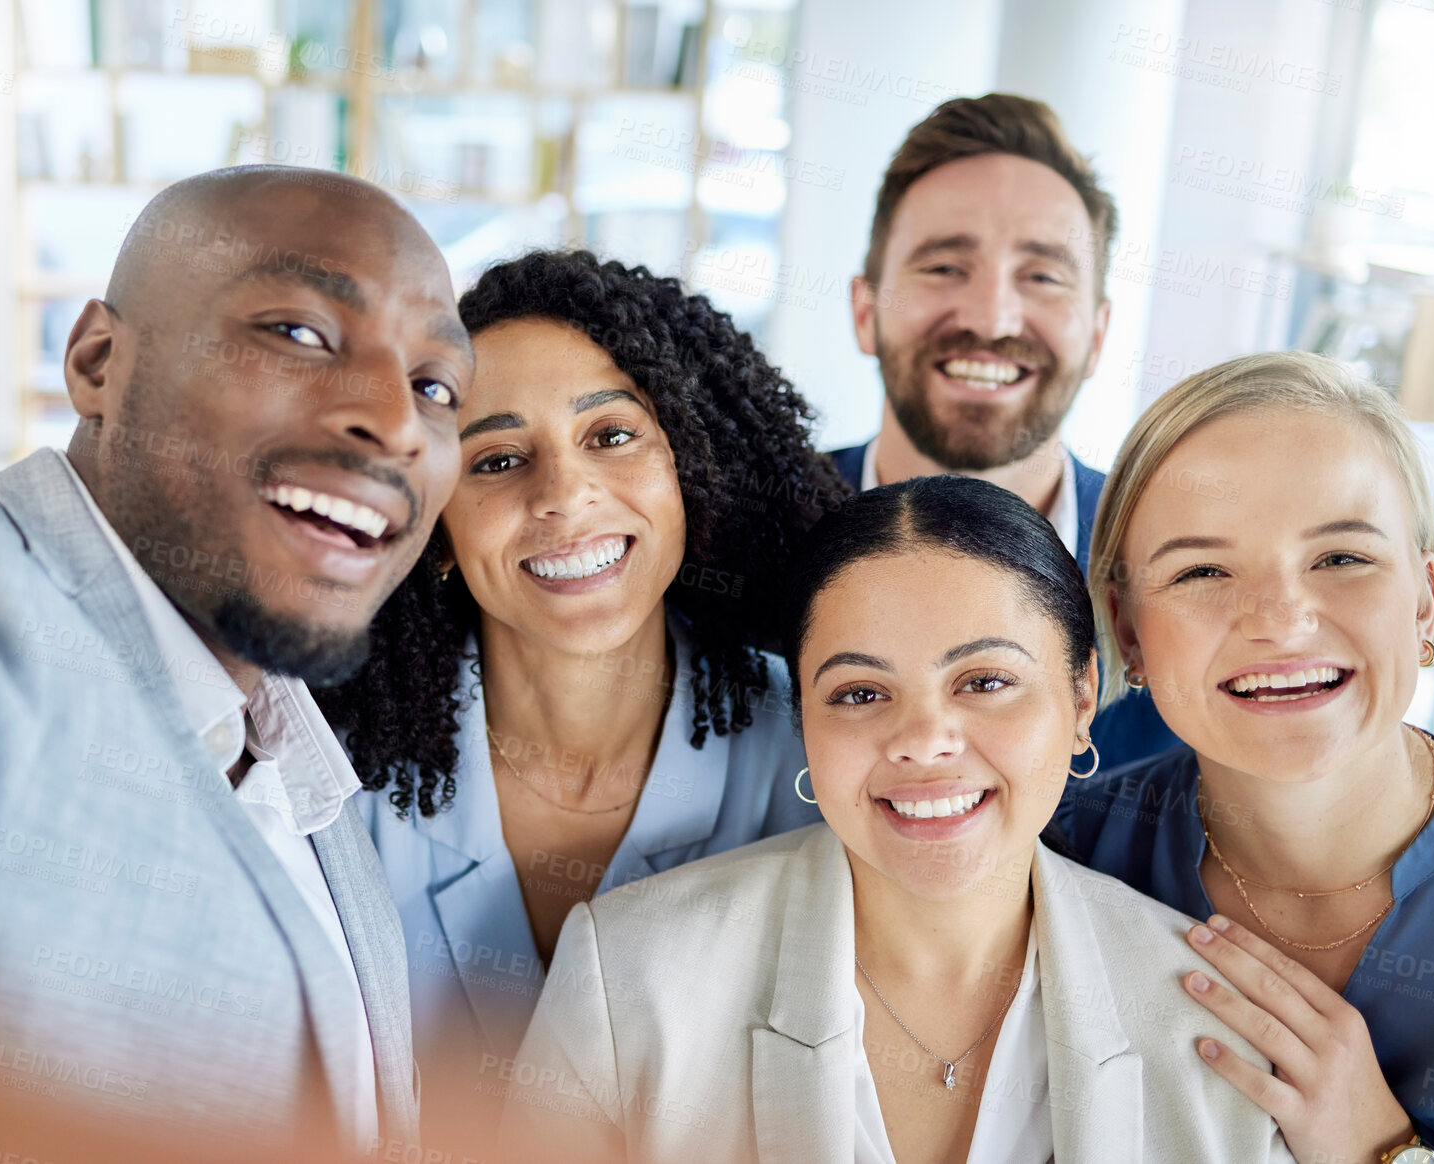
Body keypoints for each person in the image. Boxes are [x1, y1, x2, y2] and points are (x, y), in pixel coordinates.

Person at [0, 166, 475, 1156]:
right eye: (298, 334)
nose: (391, 419)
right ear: (97, 361)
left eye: (435, 387)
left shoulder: (312, 780)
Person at [498, 475, 1293, 1164]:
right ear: (803, 715)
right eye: (859, 694)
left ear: (1081, 696)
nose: (922, 743)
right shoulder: (631, 974)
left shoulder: (1213, 1018)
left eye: (984, 682)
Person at [315, 249, 847, 1144]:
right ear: (436, 519)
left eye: (610, 435)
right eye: (497, 459)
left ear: (692, 472)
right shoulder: (336, 768)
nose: (563, 496)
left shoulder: (821, 753)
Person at [1055, 351, 1434, 1164]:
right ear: (1129, 628)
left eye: (1340, 558)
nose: (1280, 621)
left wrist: (1383, 1149)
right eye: (1202, 570)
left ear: (1424, 599)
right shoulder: (1057, 861)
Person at [828, 92, 1177, 768]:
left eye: (1042, 276)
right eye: (942, 268)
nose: (992, 319)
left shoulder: (1177, 580)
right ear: (864, 310)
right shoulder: (733, 551)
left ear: (1097, 335)